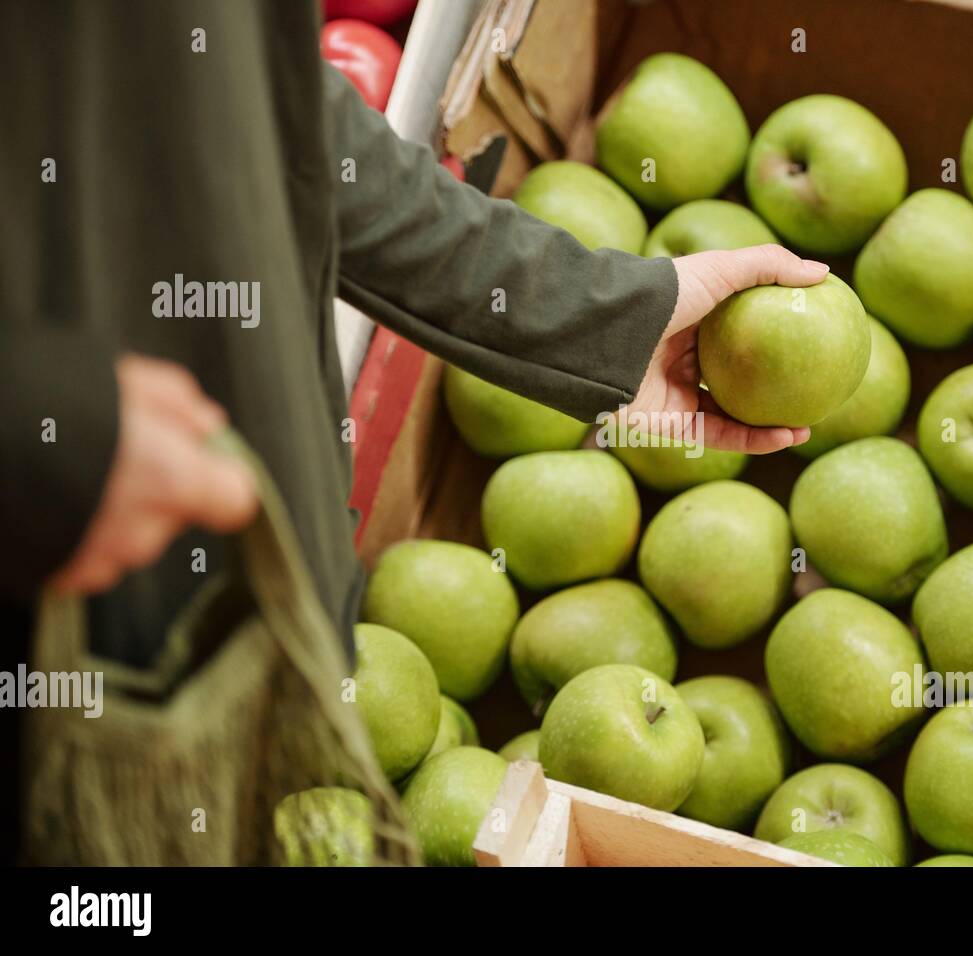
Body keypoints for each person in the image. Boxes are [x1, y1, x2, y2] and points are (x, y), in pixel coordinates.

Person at [0, 2, 826, 861]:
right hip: (74, 655)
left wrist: (606, 320)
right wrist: (50, 436)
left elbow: (264, 108)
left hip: (235, 613)